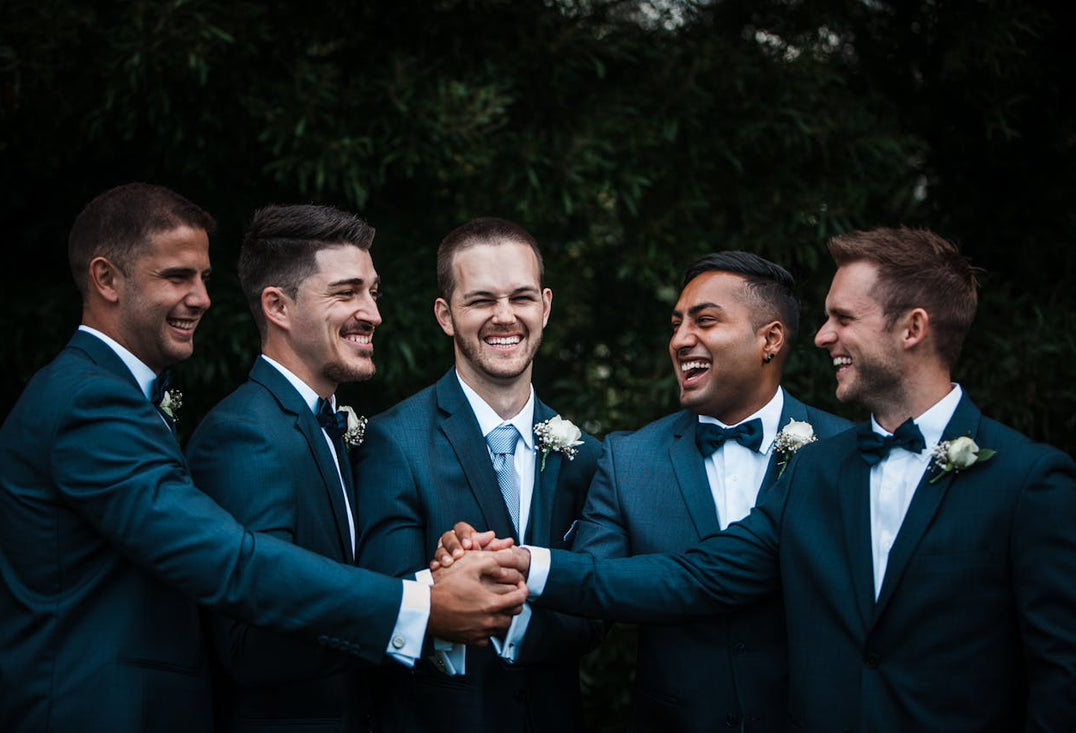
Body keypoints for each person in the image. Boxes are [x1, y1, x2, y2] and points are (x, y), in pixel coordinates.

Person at [452, 227, 1076, 731]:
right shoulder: (819, 472)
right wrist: (523, 563)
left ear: (912, 329)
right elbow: (694, 576)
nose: (824, 336)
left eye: (843, 319)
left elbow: (1057, 674)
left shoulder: (1029, 481)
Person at [0, 184, 527, 732]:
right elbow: (234, 565)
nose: (201, 298)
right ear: (106, 279)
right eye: (177, 277)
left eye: (203, 278)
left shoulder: (122, 399)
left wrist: (438, 568)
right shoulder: (95, 402)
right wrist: (423, 606)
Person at [568, 251, 849, 731]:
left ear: (770, 340)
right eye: (676, 324)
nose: (680, 340)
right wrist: (500, 586)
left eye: (705, 321)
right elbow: (591, 596)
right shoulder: (628, 459)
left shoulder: (844, 452)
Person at [353, 217, 604, 732]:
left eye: (522, 298)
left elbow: (597, 608)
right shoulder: (393, 441)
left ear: (547, 306)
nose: (505, 317)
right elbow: (385, 599)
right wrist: (443, 582)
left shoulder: (586, 456)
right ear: (446, 315)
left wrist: (484, 591)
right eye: (482, 300)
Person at [185, 204, 387, 731]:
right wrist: (413, 614)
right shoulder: (244, 435)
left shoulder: (327, 427)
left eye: (372, 291)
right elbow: (252, 643)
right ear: (277, 306)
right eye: (346, 293)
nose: (372, 313)